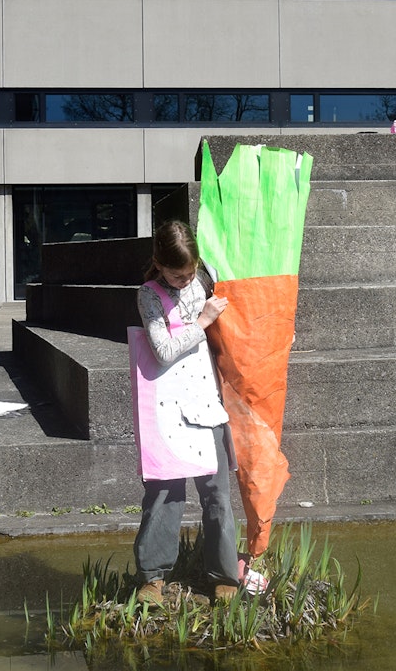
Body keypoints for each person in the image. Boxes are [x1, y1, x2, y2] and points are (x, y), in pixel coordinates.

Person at [132, 220, 240, 606]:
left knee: (217, 492)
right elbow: (161, 351)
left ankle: (225, 572)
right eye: (177, 274)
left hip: (205, 399)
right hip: (165, 404)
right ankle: (153, 576)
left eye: (191, 271)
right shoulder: (148, 295)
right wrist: (203, 321)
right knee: (164, 491)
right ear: (159, 266)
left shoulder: (204, 279)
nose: (185, 279)